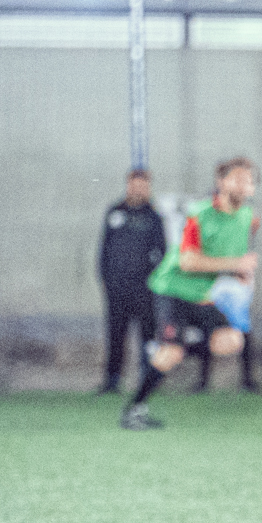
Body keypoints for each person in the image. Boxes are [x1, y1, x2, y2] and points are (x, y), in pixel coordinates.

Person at [120, 157, 259, 430]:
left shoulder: (247, 217)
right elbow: (188, 261)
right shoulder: (199, 214)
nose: (244, 184)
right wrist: (235, 264)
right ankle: (134, 409)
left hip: (201, 294)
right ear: (221, 182)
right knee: (171, 353)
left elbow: (227, 257)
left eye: (249, 180)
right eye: (237, 178)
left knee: (231, 341)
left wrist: (237, 272)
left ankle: (176, 345)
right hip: (172, 289)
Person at [97, 169, 167, 394]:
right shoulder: (115, 212)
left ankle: (148, 380)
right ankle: (112, 380)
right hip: (117, 288)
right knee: (116, 334)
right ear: (128, 186)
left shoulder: (153, 216)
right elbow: (105, 250)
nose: (138, 190)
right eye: (134, 185)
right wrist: (105, 278)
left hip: (144, 289)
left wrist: (156, 281)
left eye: (142, 186)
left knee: (148, 335)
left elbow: (162, 252)